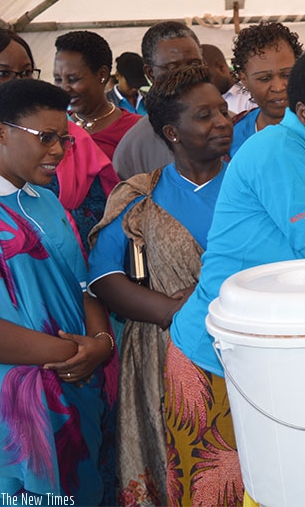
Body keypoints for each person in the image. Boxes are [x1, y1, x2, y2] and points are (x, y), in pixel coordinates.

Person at [168, 41, 305, 505]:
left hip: (291, 359)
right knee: (229, 491)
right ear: (304, 113)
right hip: (220, 359)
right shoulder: (278, 152)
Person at [88, 65, 231, 505]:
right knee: (173, 471)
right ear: (172, 132)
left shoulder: (254, 185)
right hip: (161, 354)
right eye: (205, 115)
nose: (223, 121)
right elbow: (103, 277)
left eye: (223, 110)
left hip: (243, 348)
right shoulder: (139, 196)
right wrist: (174, 311)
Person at [0, 79, 116, 504]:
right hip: (14, 407)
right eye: (44, 138)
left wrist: (101, 342)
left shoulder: (48, 201)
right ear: (1, 132)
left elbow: (84, 287)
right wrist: (76, 355)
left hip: (73, 394)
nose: (58, 151)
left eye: (63, 139)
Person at [0, 29, 119, 256]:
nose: (17, 83)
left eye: (26, 73)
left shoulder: (71, 138)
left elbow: (102, 213)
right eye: (3, 73)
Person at [112, 21, 204, 179]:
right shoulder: (133, 147)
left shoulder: (232, 126)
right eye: (173, 67)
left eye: (194, 64)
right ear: (150, 74)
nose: (187, 74)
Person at [53, 30, 141, 160]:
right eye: (58, 79)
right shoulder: (53, 126)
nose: (64, 88)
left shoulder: (136, 130)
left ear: (102, 75)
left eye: (73, 79)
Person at [229, 22, 303, 156]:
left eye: (287, 75)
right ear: (244, 79)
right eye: (264, 78)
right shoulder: (233, 135)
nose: (278, 87)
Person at [201, 43, 256, 115]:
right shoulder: (206, 101)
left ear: (221, 68)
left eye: (205, 78)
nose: (202, 85)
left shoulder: (250, 95)